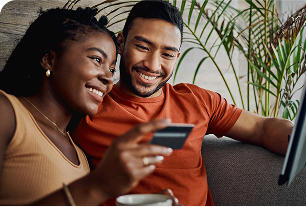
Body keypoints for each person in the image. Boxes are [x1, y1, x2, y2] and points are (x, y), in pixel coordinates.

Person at [71, 0, 306, 205]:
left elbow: (262, 128)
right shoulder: (88, 108)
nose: (153, 64)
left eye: (167, 53)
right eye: (143, 47)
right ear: (121, 42)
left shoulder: (196, 101)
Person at [0, 7, 175, 205]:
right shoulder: (7, 112)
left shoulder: (80, 154)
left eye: (111, 68)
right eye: (96, 59)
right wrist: (96, 186)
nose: (108, 78)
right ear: (49, 59)